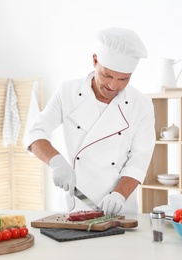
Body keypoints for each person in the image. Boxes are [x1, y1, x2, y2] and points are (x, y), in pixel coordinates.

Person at [25, 27, 156, 216]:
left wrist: (119, 195)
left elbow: (139, 160)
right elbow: (35, 132)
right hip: (74, 206)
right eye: (107, 75)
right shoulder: (67, 92)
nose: (113, 85)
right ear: (95, 60)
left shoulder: (141, 105)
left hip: (119, 207)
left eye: (123, 79)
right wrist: (55, 161)